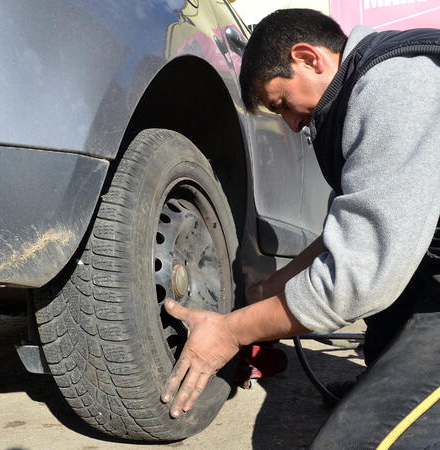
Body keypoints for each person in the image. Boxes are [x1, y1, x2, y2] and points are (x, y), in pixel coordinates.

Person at [161, 9, 440, 448]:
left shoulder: (394, 87)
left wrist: (231, 332)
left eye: (281, 104)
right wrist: (266, 290)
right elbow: (345, 237)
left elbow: (353, 282)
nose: (290, 124)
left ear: (308, 58)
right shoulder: (364, 89)